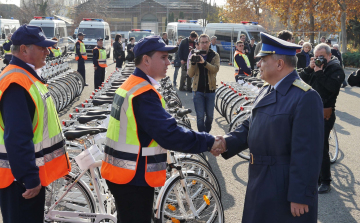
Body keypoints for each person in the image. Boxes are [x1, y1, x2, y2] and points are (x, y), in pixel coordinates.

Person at [101, 35, 222, 223]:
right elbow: (169, 134)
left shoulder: (132, 85)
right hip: (133, 177)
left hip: (124, 172)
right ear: (146, 60)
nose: (169, 62)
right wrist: (209, 141)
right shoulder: (143, 93)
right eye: (163, 57)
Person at [215, 32, 324, 223]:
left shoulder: (305, 96)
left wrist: (300, 196)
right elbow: (251, 125)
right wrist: (226, 142)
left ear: (279, 64)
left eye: (263, 60)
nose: (258, 64)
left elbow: (308, 152)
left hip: (283, 185)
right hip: (261, 179)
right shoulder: (267, 89)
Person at [0, 24, 71, 223]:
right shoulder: (16, 82)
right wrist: (29, 177)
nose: (47, 51)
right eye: (41, 47)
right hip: (20, 181)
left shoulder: (26, 77)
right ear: (24, 49)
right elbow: (17, 136)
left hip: (22, 177)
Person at [298, 43, 345, 194]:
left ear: (330, 56)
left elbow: (332, 88)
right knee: (311, 146)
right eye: (316, 57)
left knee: (321, 147)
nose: (319, 59)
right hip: (309, 111)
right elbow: (300, 81)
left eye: (322, 57)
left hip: (325, 113)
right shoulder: (314, 67)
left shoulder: (335, 69)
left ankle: (326, 181)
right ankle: (316, 177)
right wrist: (309, 68)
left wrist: (319, 72)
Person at [188, 34, 220, 133]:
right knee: (200, 117)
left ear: (210, 43)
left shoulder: (214, 55)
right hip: (198, 91)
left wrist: (204, 63)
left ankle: (206, 134)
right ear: (199, 43)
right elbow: (190, 74)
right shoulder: (194, 54)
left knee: (210, 117)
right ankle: (204, 139)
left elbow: (215, 69)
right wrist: (193, 63)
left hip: (210, 90)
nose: (204, 44)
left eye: (206, 42)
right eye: (202, 42)